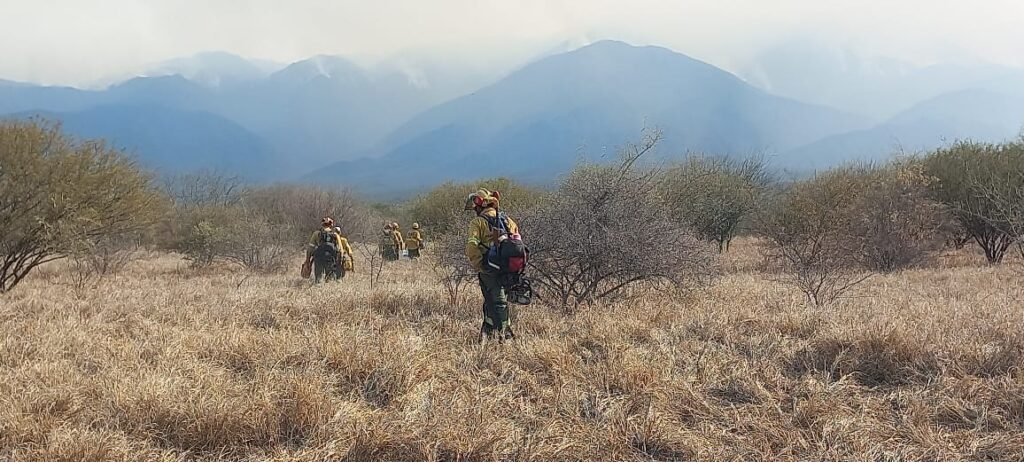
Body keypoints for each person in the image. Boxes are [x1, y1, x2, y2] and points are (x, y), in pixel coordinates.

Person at [465, 189, 519, 342]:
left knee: (496, 301)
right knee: (496, 299)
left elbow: (472, 246)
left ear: (480, 206)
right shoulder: (508, 220)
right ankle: (488, 332)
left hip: (489, 267)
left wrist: (479, 265)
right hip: (508, 269)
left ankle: (504, 335)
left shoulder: (478, 222)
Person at [308, 217, 342, 284]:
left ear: (322, 224)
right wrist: (339, 262)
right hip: (330, 258)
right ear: (331, 225)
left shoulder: (316, 233)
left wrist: (307, 261)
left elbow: (310, 248)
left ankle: (318, 289)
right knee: (330, 279)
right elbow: (340, 250)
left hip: (318, 258)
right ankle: (328, 291)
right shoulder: (335, 235)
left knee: (318, 279)